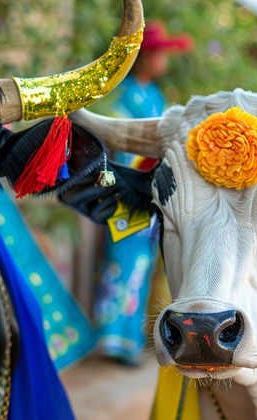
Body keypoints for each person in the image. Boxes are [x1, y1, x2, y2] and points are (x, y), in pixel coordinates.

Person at [93, 19, 193, 365]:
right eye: (160, 54)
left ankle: (130, 337)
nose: (165, 61)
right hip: (129, 189)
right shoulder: (123, 95)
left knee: (143, 261)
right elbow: (119, 147)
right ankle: (114, 339)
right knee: (124, 260)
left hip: (155, 191)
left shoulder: (154, 96)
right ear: (147, 57)